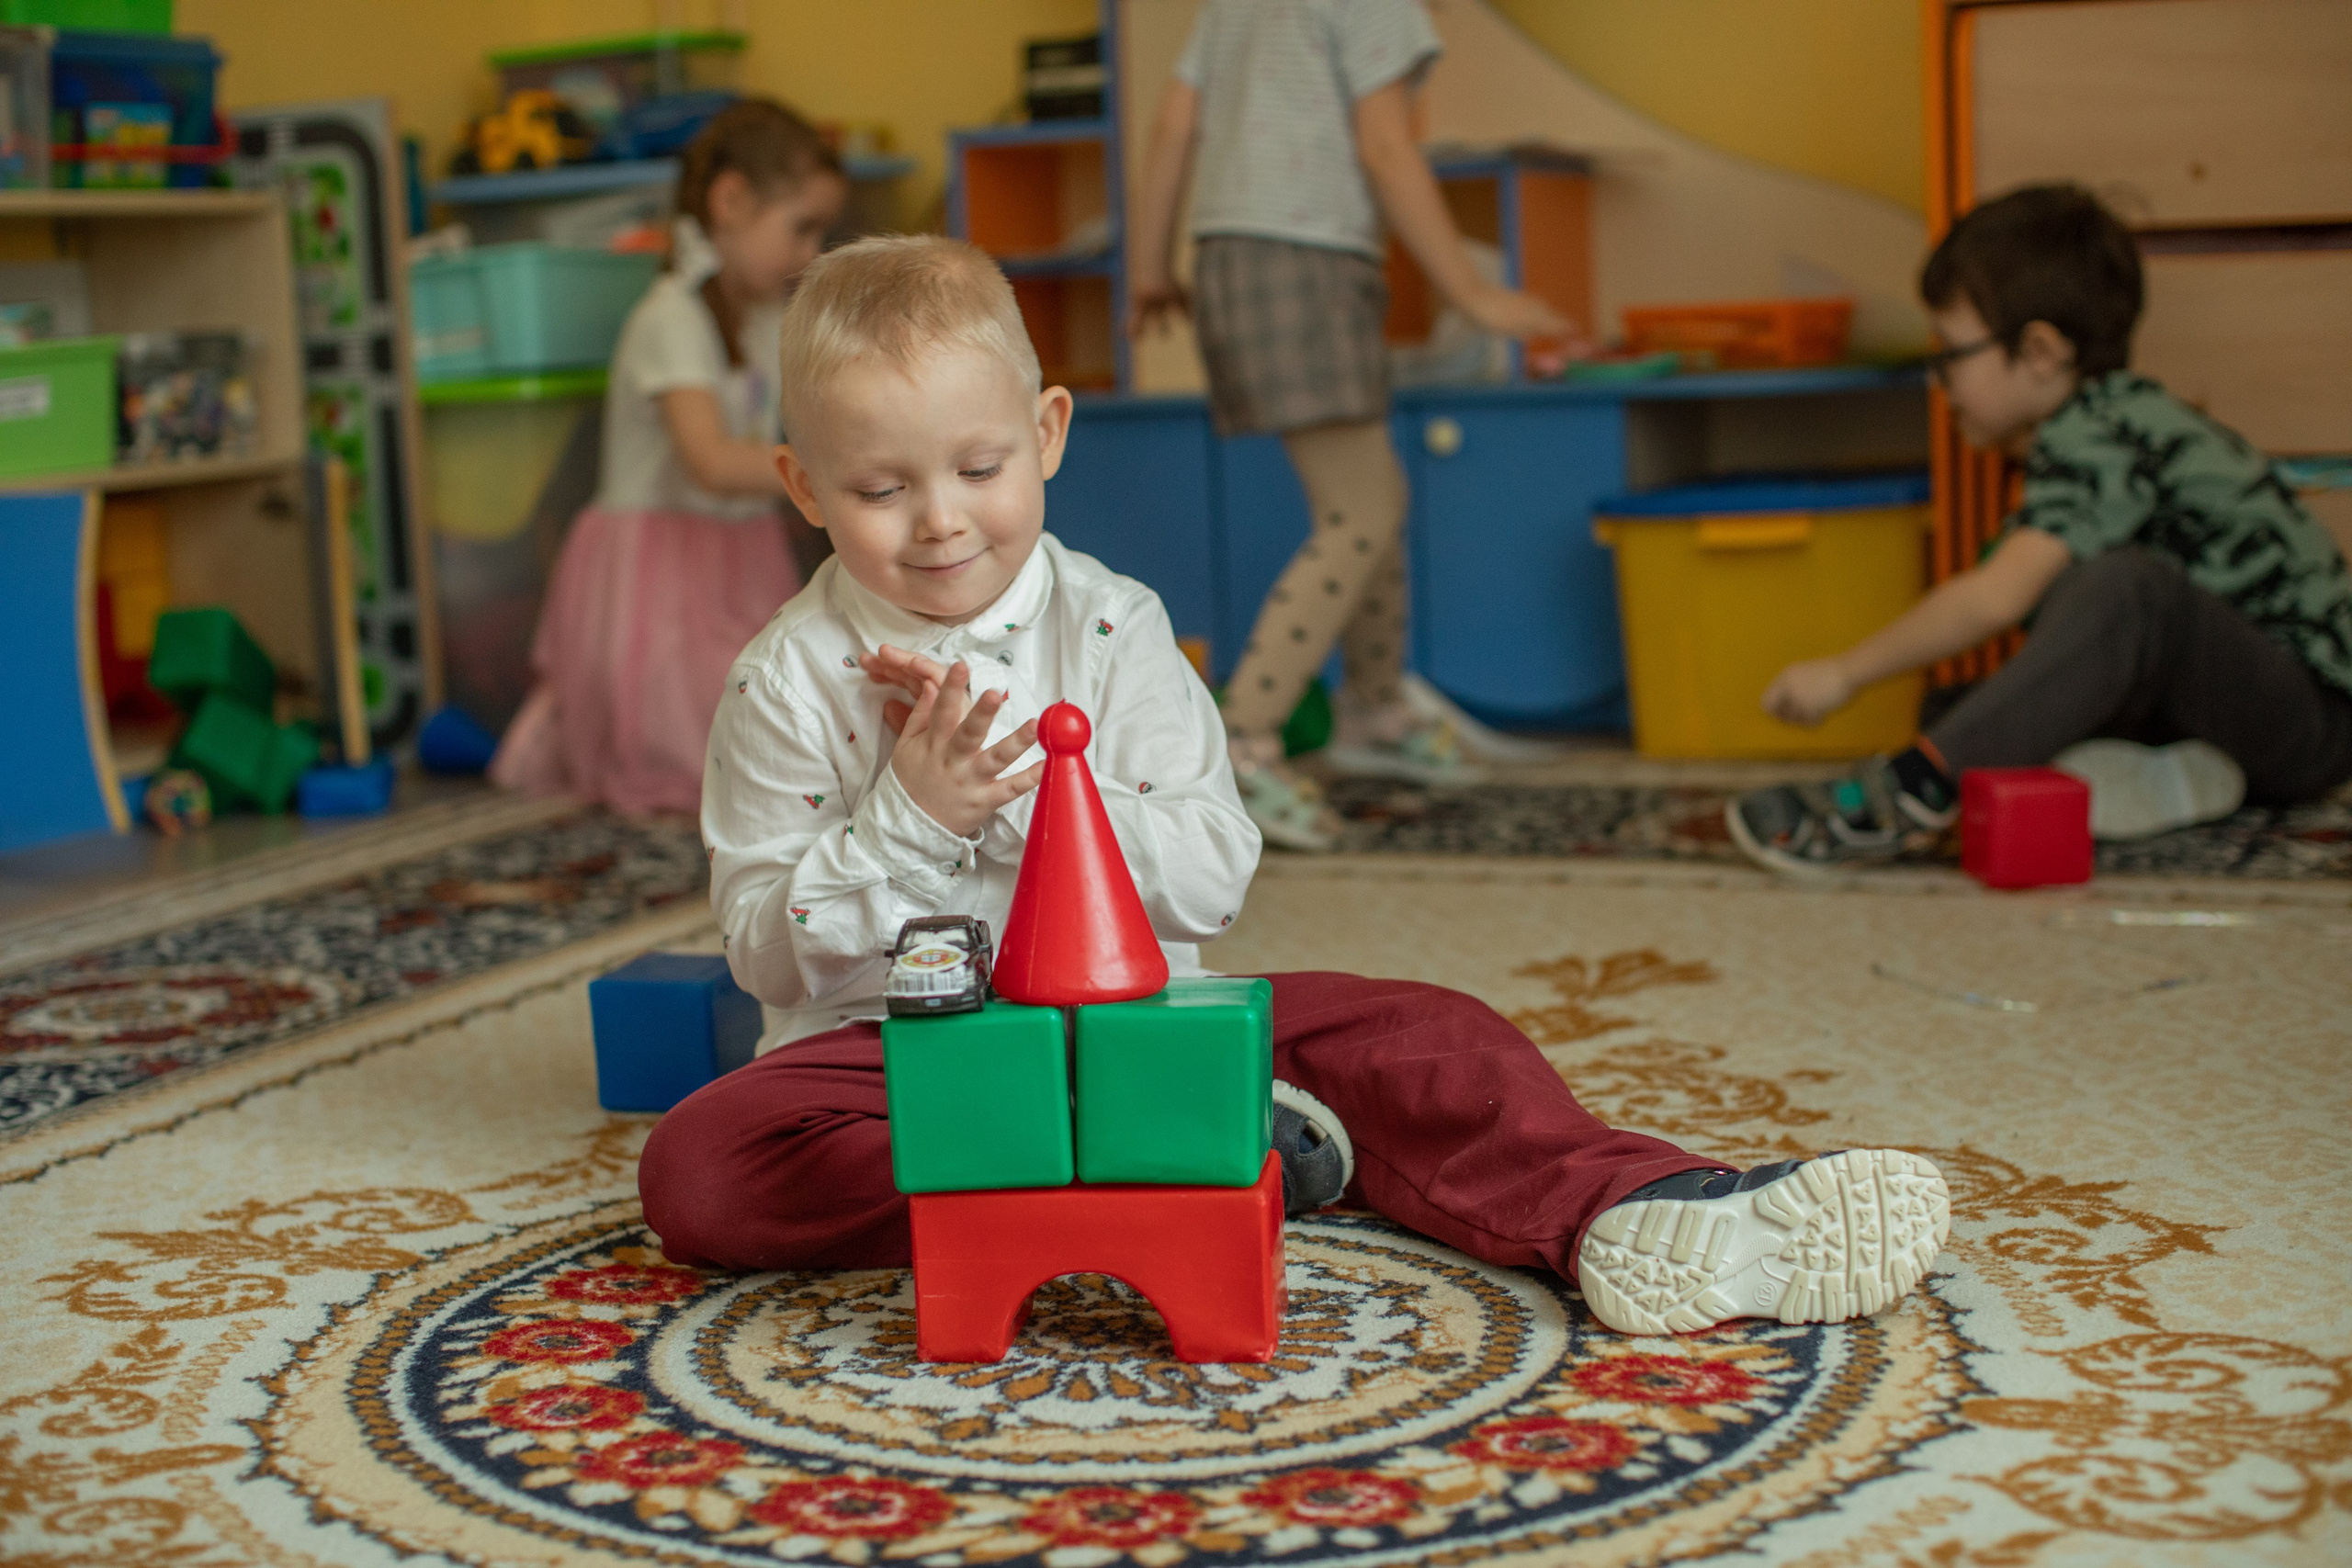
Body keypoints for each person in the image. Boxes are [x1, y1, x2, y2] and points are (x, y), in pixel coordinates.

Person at [636, 234, 1951, 1338]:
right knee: (701, 1167)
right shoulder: (787, 676)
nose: (939, 519)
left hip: (1154, 1019)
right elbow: (764, 953)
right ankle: (1195, 1141)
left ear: (1045, 435)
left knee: (1432, 1037)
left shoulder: (1112, 627)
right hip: (897, 1063)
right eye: (880, 486)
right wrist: (911, 822)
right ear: (804, 483)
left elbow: (1212, 870)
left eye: (979, 469)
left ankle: (1648, 1211)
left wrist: (1030, 792)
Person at [1729, 185, 2352, 868]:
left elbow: (1996, 597)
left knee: (2127, 592)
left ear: (2041, 352)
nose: (1941, 382)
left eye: (1951, 354)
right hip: (2230, 713)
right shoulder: (2095, 433)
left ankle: (1911, 791)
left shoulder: (2100, 429)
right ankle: (2168, 780)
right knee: (1963, 708)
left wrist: (1845, 672)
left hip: (2313, 721)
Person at [1126, 0, 1571, 851]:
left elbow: (1173, 128)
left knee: (1375, 495)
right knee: (1358, 511)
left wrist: (1148, 263)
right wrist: (1471, 293)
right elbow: (1386, 146)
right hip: (1309, 260)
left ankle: (1374, 709)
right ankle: (1245, 739)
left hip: (1231, 260)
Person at [490, 99, 848, 815]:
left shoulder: (765, 318)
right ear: (731, 201)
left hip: (735, 559)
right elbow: (710, 462)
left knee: (792, 728)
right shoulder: (670, 319)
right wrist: (833, 475)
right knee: (719, 763)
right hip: (656, 578)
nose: (811, 253)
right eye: (800, 228)